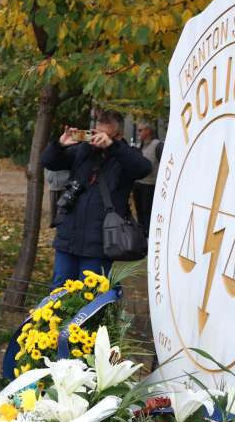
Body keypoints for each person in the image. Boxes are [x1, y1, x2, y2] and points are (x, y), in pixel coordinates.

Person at [41, 109, 152, 288]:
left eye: (104, 135)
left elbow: (143, 168)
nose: (97, 138)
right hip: (68, 236)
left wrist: (112, 147)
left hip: (100, 242)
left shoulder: (126, 155)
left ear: (118, 135)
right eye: (95, 133)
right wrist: (60, 145)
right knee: (58, 292)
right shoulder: (84, 151)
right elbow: (49, 162)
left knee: (89, 295)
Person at [133, 121, 162, 233]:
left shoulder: (157, 145)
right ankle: (142, 239)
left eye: (140, 130)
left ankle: (150, 238)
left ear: (148, 130)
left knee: (148, 214)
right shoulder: (140, 145)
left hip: (150, 186)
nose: (138, 133)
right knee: (140, 214)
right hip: (138, 184)